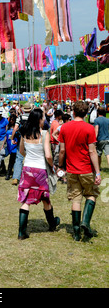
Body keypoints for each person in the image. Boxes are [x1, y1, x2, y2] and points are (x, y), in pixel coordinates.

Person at [58, 101, 102, 241]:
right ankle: (85, 222)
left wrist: (60, 166)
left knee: (76, 199)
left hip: (71, 169)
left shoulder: (64, 127)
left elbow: (62, 150)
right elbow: (92, 151)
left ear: (74, 112)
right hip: (86, 169)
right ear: (86, 113)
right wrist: (98, 172)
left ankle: (76, 232)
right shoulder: (89, 128)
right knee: (91, 194)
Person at [17, 108, 60, 240]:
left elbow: (21, 151)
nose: (44, 120)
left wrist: (29, 156)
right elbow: (48, 154)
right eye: (43, 118)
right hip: (40, 170)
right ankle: (52, 223)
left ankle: (21, 232)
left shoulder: (24, 133)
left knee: (26, 199)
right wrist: (52, 165)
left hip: (28, 169)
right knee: (45, 198)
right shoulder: (44, 134)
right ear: (39, 120)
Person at [11, 102, 33, 185]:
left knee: (19, 158)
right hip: (31, 139)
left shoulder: (20, 117)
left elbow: (15, 128)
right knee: (31, 158)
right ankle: (30, 177)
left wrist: (12, 138)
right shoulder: (33, 117)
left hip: (22, 139)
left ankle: (16, 178)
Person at [5, 114, 19, 180]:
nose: (11, 121)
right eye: (10, 119)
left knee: (12, 160)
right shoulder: (8, 126)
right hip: (8, 145)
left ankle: (9, 174)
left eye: (13, 120)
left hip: (15, 146)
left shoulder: (17, 127)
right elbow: (6, 135)